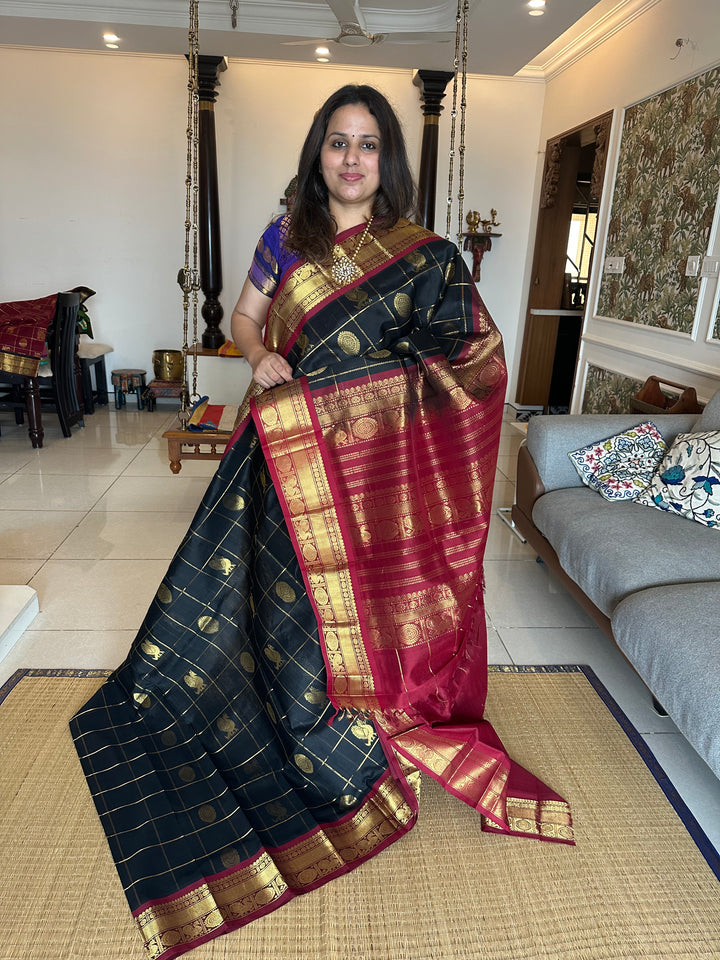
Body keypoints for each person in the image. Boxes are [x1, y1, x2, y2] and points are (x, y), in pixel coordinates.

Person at [71, 84, 572, 960]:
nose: (351, 158)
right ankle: (297, 716)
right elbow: (244, 320)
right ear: (318, 155)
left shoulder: (425, 256)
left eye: (367, 144)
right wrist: (262, 355)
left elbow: (473, 363)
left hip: (376, 476)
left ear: (388, 160)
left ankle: (371, 716)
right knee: (287, 603)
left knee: (366, 605)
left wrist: (359, 396)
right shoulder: (284, 238)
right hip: (290, 457)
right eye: (337, 142)